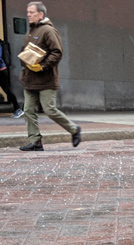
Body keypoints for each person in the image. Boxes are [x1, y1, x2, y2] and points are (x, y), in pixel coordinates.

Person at [18, 2, 81, 152]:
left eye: (32, 12)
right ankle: (36, 142)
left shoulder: (48, 30)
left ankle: (74, 130)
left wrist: (43, 66)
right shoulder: (31, 31)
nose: (28, 14)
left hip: (46, 80)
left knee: (49, 109)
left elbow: (57, 52)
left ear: (41, 14)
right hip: (30, 79)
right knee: (28, 110)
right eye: (28, 12)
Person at [0, 39, 24, 118]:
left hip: (1, 71)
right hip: (2, 71)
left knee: (7, 89)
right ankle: (17, 109)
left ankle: (18, 109)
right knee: (7, 90)